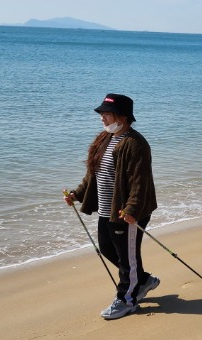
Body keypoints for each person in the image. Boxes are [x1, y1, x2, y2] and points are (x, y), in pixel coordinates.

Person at [65, 94, 160, 320]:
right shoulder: (104, 139)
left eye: (106, 114)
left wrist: (132, 210)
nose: (102, 119)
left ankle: (127, 300)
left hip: (127, 212)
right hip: (108, 210)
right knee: (108, 249)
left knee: (127, 259)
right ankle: (143, 280)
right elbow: (93, 174)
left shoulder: (135, 144)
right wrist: (77, 194)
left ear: (123, 116)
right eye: (102, 115)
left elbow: (140, 181)